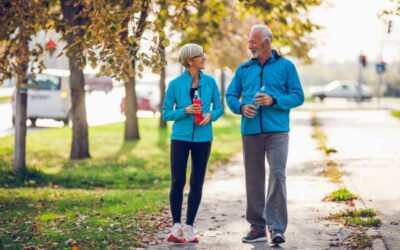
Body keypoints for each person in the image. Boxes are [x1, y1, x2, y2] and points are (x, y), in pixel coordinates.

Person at [226, 25, 304, 244]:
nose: (249, 45)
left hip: (278, 132)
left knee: (277, 175)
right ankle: (257, 227)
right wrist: (240, 107)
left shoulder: (286, 66)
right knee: (254, 178)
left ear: (267, 44)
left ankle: (277, 228)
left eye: (253, 42)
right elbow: (231, 95)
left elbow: (298, 96)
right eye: (249, 41)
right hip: (250, 131)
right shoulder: (243, 69)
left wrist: (274, 100)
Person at [162, 43, 224, 243]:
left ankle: (189, 227)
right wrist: (184, 111)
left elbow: (219, 108)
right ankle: (176, 226)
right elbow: (165, 113)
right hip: (180, 137)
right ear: (190, 61)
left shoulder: (210, 83)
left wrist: (210, 116)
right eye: (200, 56)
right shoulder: (175, 84)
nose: (204, 58)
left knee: (197, 183)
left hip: (203, 138)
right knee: (178, 181)